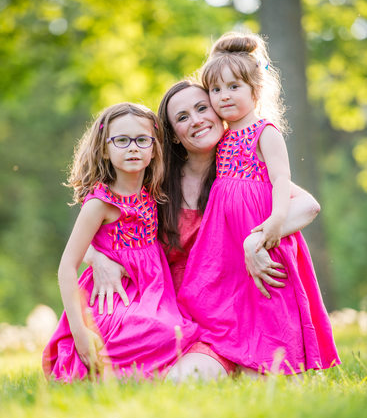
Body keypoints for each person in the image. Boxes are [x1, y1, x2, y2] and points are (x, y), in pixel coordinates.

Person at [87, 81, 324, 381]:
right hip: (172, 314)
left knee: (218, 382)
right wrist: (98, 259)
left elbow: (307, 205)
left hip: (233, 312)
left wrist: (257, 240)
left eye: (202, 108)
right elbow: (92, 227)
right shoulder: (155, 180)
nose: (197, 119)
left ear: (217, 111)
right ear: (172, 133)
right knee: (158, 379)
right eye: (183, 117)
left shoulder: (244, 168)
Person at [177, 32, 340, 376]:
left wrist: (274, 224)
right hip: (224, 239)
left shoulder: (265, 131)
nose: (224, 97)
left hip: (262, 227)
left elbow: (281, 179)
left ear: (256, 89)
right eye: (216, 90)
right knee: (226, 294)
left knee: (268, 294)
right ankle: (229, 352)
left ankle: (278, 360)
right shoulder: (222, 136)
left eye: (234, 87)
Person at [42, 103, 199, 382]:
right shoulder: (100, 204)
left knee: (173, 329)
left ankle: (143, 373)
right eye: (121, 140)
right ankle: (119, 372)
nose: (133, 148)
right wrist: (79, 331)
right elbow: (67, 266)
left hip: (153, 291)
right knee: (146, 331)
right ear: (105, 148)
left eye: (142, 140)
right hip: (112, 297)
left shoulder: (154, 195)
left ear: (154, 149)